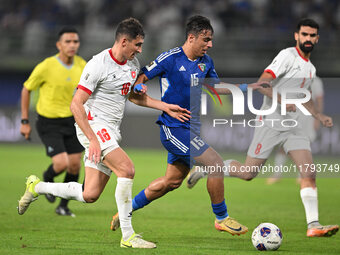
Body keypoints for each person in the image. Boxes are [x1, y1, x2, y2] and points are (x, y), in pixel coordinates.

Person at [18, 17, 190, 248]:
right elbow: (76, 104)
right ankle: (128, 236)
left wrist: (163, 105)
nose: (140, 50)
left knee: (90, 194)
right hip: (94, 126)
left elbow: (132, 96)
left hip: (110, 129)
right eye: (137, 45)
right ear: (124, 41)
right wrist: (93, 140)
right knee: (127, 169)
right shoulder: (98, 64)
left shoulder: (132, 65)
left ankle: (36, 187)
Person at [110, 15, 265, 236]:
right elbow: (140, 78)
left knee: (170, 182)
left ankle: (125, 210)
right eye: (206, 39)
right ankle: (222, 218)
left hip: (191, 128)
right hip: (172, 128)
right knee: (215, 164)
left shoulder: (206, 62)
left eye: (211, 40)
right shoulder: (171, 58)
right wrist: (141, 87)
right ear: (191, 37)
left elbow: (215, 87)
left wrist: (248, 87)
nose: (210, 44)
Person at [186, 18, 339, 237]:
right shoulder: (288, 56)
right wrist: (282, 100)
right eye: (304, 34)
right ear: (297, 36)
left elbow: (304, 97)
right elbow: (263, 83)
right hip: (271, 120)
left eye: (312, 35)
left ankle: (313, 225)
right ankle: (209, 169)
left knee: (309, 171)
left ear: (317, 38)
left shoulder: (310, 68)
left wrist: (318, 115)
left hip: (294, 125)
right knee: (249, 173)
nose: (308, 38)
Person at [20, 27, 86, 217]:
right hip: (49, 122)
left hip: (72, 121)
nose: (72, 45)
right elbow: (26, 89)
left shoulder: (83, 65)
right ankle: (47, 179)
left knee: (75, 165)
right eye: (68, 41)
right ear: (59, 45)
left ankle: (63, 206)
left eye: (75, 41)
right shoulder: (46, 66)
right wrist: (25, 120)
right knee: (61, 164)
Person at [267, 76, 324, 184]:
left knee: (305, 147)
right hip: (291, 117)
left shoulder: (316, 81)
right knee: (283, 145)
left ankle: (302, 176)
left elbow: (319, 100)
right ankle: (277, 174)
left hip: (308, 119)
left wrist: (318, 118)